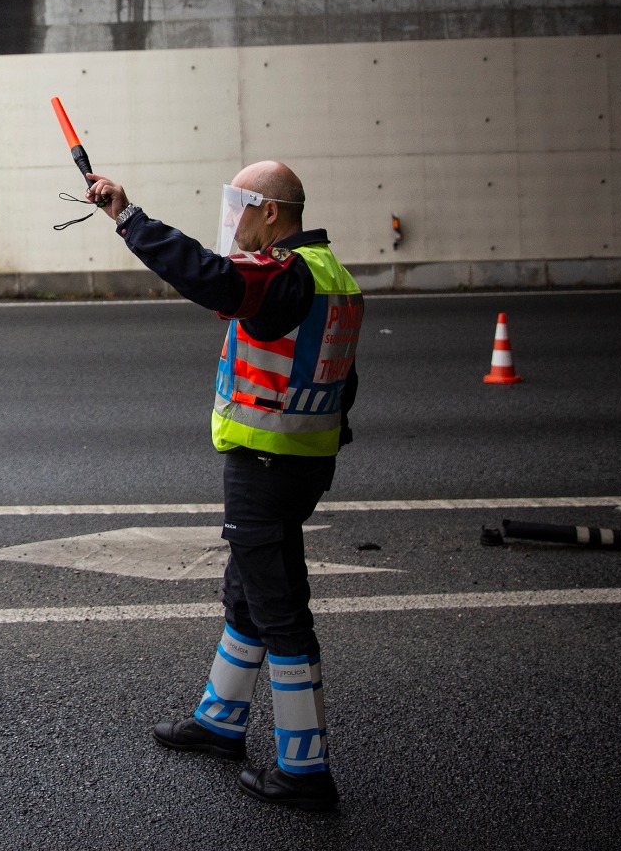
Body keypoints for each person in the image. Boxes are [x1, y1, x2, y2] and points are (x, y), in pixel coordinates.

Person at [81, 160, 362, 813]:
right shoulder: (332, 274)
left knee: (281, 607)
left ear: (270, 211)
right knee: (249, 590)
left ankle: (305, 767)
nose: (233, 220)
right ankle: (220, 722)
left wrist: (128, 217)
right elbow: (342, 380)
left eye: (241, 206)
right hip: (303, 459)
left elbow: (212, 279)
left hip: (267, 464)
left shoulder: (283, 275)